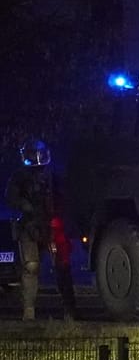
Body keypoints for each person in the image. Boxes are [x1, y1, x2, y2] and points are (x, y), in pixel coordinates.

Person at [5, 138, 77, 321]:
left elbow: (65, 199)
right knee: (31, 266)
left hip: (52, 225)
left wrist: (57, 220)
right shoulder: (19, 176)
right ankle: (29, 311)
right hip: (29, 226)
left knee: (62, 266)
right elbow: (11, 197)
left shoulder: (53, 175)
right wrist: (24, 205)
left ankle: (70, 310)